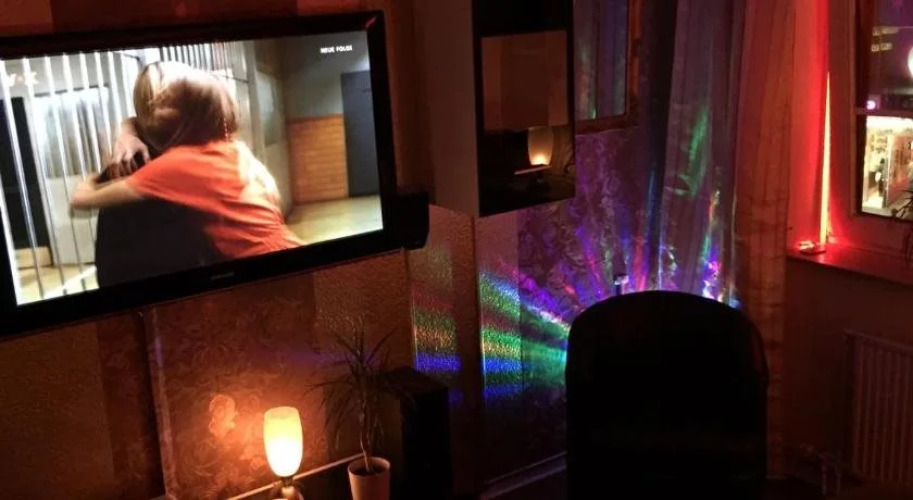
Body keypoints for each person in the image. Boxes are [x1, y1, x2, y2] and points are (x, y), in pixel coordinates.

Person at [72, 61, 302, 260]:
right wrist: (127, 129)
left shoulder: (173, 164)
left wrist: (98, 175)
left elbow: (81, 200)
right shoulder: (234, 148)